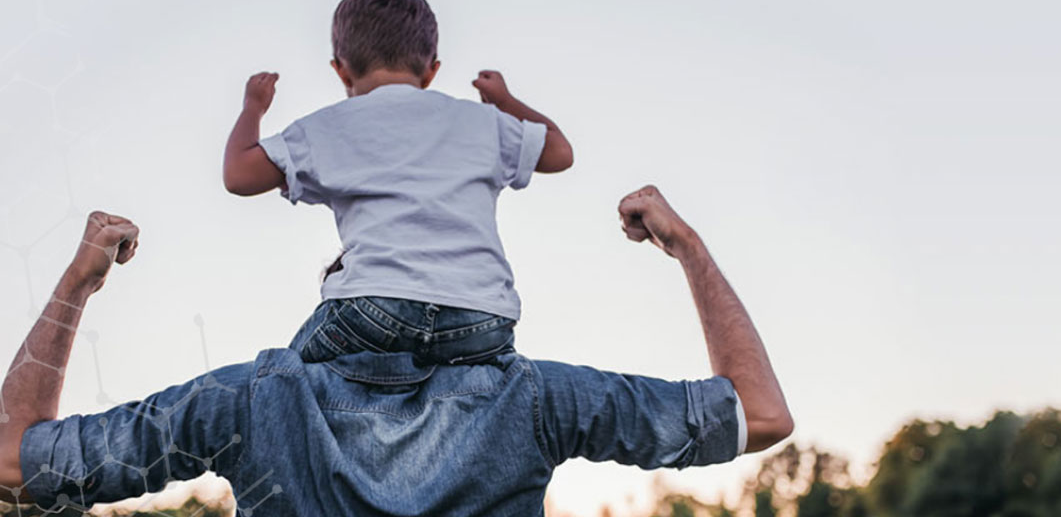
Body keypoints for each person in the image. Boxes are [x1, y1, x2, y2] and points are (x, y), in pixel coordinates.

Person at [0, 186, 793, 515]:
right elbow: (758, 415)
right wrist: (685, 246)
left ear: (337, 293)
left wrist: (79, 284)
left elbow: (12, 459)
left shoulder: (248, 401)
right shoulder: (536, 400)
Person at [221, 0, 575, 364]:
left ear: (340, 70)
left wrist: (253, 108)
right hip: (483, 319)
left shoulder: (328, 127)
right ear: (431, 70)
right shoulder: (481, 122)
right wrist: (504, 101)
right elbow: (560, 152)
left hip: (375, 311)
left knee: (285, 379)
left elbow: (238, 175)